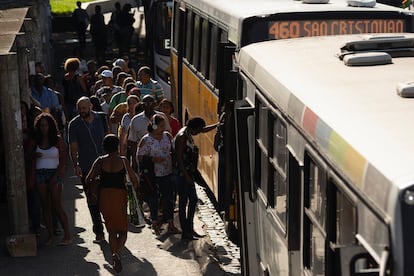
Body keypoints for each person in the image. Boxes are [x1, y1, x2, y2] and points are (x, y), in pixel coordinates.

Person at [86, 134, 138, 273]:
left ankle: (114, 254)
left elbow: (88, 178)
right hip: (119, 197)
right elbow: (134, 180)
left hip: (104, 196)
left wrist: (95, 184)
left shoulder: (100, 161)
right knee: (123, 232)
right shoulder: (123, 161)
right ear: (117, 146)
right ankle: (117, 254)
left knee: (111, 230)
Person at [68, 97, 109, 243]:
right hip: (87, 167)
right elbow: (73, 147)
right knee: (93, 200)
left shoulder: (102, 119)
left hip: (106, 165)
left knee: (107, 197)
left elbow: (108, 138)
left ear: (90, 106)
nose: (81, 111)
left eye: (84, 108)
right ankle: (99, 231)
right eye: (79, 109)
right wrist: (76, 165)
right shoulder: (74, 124)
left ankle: (110, 226)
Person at [174, 117, 218, 240]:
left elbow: (204, 130)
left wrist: (217, 124)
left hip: (188, 173)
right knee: (184, 203)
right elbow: (179, 158)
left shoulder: (188, 132)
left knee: (193, 200)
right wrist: (187, 176)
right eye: (198, 130)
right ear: (194, 128)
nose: (199, 132)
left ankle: (190, 228)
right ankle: (186, 231)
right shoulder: (183, 136)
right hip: (183, 175)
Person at [33, 113, 72, 245]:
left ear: (51, 126)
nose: (44, 128)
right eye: (42, 126)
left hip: (54, 174)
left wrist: (58, 175)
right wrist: (34, 155)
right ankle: (51, 235)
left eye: (46, 125)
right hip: (40, 174)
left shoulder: (57, 139)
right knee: (45, 206)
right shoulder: (36, 140)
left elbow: (63, 159)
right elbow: (26, 156)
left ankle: (67, 235)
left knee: (57, 205)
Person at [137, 114, 180, 235]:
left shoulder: (167, 136)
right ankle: (154, 222)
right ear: (154, 126)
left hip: (167, 172)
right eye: (160, 126)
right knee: (153, 199)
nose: (163, 128)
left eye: (163, 125)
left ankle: (171, 223)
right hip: (152, 175)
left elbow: (173, 150)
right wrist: (152, 159)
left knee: (168, 198)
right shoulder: (146, 140)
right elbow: (139, 157)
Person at [127, 95, 170, 172]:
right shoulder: (135, 120)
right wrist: (134, 161)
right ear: (142, 105)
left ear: (154, 104)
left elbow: (168, 136)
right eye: (146, 104)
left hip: (163, 162)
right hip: (145, 160)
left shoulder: (162, 117)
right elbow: (132, 142)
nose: (148, 106)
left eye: (150, 103)